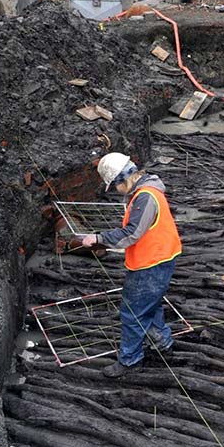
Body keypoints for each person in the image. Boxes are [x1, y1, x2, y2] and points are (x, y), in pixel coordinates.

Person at [81, 153, 182, 378]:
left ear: (123, 179)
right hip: (158, 259)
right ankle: (163, 344)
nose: (116, 191)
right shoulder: (144, 190)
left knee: (133, 313)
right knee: (151, 305)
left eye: (115, 186)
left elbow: (132, 234)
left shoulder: (146, 196)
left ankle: (130, 361)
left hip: (152, 264)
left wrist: (99, 238)